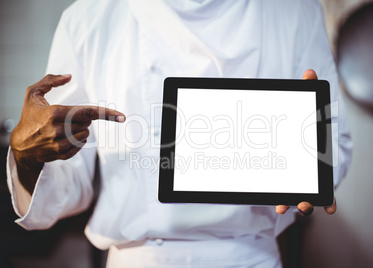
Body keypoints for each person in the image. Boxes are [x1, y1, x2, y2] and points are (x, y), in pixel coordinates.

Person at [7, 0, 352, 267]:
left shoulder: (294, 11)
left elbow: (335, 144)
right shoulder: (90, 16)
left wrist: (311, 170)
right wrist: (27, 158)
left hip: (248, 257)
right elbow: (68, 185)